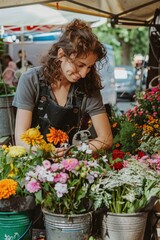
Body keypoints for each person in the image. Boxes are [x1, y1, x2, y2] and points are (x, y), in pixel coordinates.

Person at [13, 19, 113, 156]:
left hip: (72, 163)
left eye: (89, 67)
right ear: (61, 55)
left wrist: (73, 152)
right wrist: (46, 152)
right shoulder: (31, 80)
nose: (84, 74)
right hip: (34, 162)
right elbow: (20, 138)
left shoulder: (88, 87)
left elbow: (106, 139)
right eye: (80, 65)